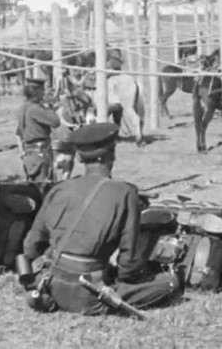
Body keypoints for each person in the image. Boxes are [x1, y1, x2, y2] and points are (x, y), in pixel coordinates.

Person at [22, 123, 184, 316]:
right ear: (112, 154)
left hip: (52, 285)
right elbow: (129, 264)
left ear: (79, 157)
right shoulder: (125, 193)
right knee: (171, 281)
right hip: (90, 295)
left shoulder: (60, 188)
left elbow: (30, 246)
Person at [16, 78, 61, 183]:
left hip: (29, 152)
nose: (44, 93)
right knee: (44, 186)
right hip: (40, 153)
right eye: (42, 91)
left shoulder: (23, 107)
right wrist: (49, 106)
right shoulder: (36, 109)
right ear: (37, 92)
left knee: (32, 185)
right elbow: (55, 122)